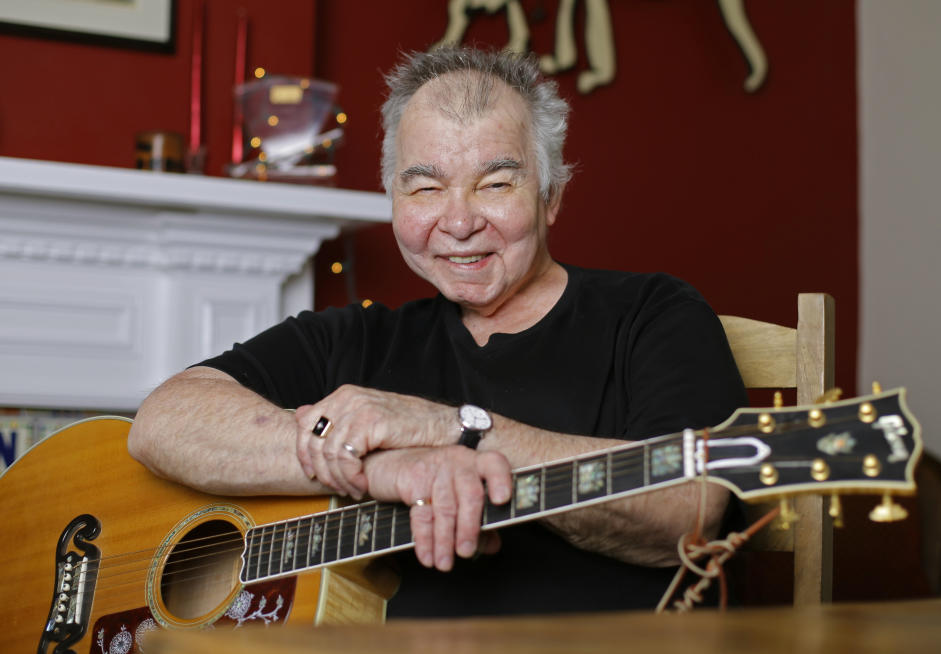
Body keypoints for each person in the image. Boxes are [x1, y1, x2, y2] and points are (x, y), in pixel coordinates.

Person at [128, 47, 747, 617]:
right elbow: (163, 420)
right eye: (425, 186)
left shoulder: (653, 313)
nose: (457, 221)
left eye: (496, 183)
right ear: (393, 197)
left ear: (551, 195)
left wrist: (451, 430)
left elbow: (689, 510)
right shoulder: (357, 337)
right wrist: (387, 468)